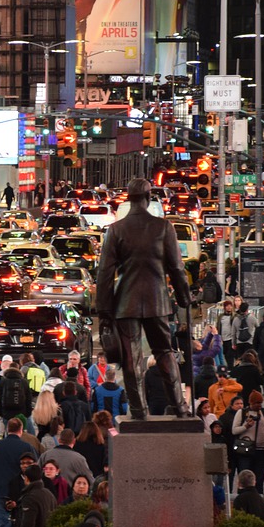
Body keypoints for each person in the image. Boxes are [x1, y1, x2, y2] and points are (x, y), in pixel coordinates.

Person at [96, 177, 193, 418]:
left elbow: (105, 275)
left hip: (125, 302)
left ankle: (138, 410)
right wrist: (184, 297)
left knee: (132, 358)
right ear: (149, 198)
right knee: (164, 351)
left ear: (128, 200)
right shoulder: (164, 227)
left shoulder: (116, 230)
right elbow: (177, 269)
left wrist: (104, 311)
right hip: (157, 301)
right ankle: (180, 407)